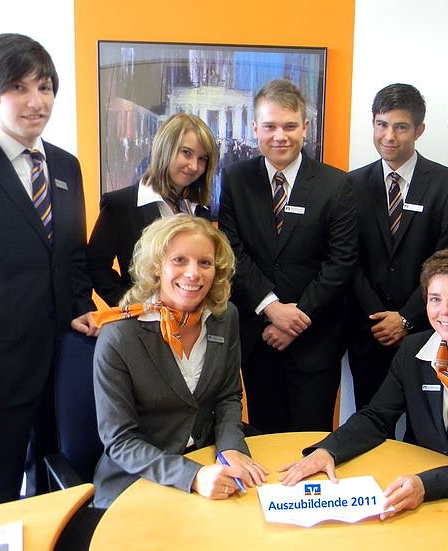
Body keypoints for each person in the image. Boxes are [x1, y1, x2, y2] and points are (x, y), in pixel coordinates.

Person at [278, 247, 448, 526]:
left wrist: (426, 486)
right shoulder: (412, 351)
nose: (445, 310)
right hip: (430, 499)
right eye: (435, 299)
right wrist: (328, 450)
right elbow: (376, 417)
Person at [0, 33, 96, 502]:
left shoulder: (65, 166)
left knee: (61, 490)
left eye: (44, 87)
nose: (36, 102)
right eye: (19, 88)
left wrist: (82, 309)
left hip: (63, 366)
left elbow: (73, 257)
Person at [91, 215, 268, 507]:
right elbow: (120, 440)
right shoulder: (119, 336)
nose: (193, 273)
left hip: (206, 457)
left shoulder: (225, 318)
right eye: (179, 260)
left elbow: (228, 396)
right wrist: (192, 476)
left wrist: (231, 448)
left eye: (205, 263)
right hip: (140, 478)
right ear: (156, 267)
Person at [218, 79, 357, 433]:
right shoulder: (235, 179)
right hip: (259, 339)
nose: (280, 136)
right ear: (255, 128)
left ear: (305, 127)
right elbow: (231, 251)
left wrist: (297, 318)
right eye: (270, 126)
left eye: (290, 126)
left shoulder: (336, 184)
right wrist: (271, 308)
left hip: (315, 340)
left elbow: (340, 262)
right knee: (264, 441)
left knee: (311, 444)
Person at [346, 83, 448, 409]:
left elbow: (446, 261)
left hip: (425, 330)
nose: (389, 136)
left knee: (424, 425)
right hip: (368, 331)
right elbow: (347, 258)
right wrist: (379, 318)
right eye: (381, 124)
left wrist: (405, 318)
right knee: (369, 419)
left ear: (419, 130)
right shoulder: (351, 184)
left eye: (400, 127)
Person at [87, 113, 217, 306]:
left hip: (193, 318)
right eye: (186, 153)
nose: (194, 166)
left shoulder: (199, 209)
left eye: (202, 159)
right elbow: (96, 267)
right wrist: (130, 305)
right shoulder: (120, 204)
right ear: (165, 149)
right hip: (143, 318)